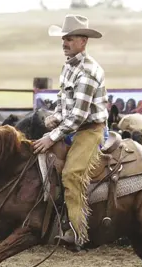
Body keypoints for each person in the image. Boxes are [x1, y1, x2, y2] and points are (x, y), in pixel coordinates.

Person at [33, 14, 107, 249]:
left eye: (70, 39)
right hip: (73, 127)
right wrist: (54, 116)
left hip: (89, 131)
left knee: (71, 174)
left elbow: (79, 116)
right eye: (64, 39)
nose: (65, 43)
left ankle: (77, 233)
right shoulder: (69, 66)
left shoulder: (87, 71)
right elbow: (64, 100)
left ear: (83, 41)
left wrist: (52, 136)